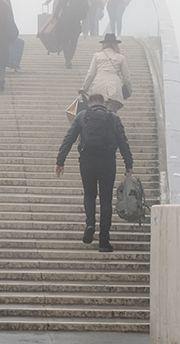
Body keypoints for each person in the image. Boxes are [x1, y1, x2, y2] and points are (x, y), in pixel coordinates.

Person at [55, 95, 134, 253]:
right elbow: (123, 141)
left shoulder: (82, 116)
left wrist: (60, 161)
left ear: (89, 103)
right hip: (108, 162)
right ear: (104, 103)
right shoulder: (113, 117)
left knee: (89, 194)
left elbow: (69, 138)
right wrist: (128, 164)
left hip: (87, 161)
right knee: (106, 200)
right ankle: (104, 240)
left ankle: (90, 223)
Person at [81, 33, 133, 112]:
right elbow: (126, 78)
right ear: (115, 44)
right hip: (114, 90)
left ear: (104, 44)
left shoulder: (97, 56)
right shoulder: (121, 57)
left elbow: (91, 74)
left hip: (98, 90)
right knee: (111, 118)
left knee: (97, 115)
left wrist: (84, 89)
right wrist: (128, 91)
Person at [51, 0, 89, 69]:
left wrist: (55, 15)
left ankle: (67, 59)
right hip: (76, 21)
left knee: (65, 39)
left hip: (65, 20)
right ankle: (70, 57)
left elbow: (60, 3)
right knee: (74, 40)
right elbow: (86, 9)